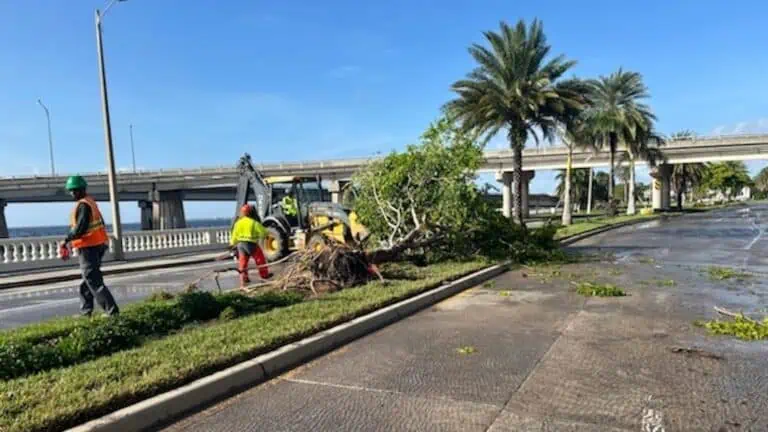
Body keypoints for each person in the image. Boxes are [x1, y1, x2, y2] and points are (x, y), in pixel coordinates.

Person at [60, 175, 120, 317]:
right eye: (71, 191)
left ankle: (112, 312)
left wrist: (66, 240)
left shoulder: (83, 205)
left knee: (93, 280)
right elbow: (100, 224)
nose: (72, 193)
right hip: (98, 244)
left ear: (81, 190)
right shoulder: (91, 202)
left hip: (88, 247)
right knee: (87, 281)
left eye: (74, 190)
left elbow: (80, 228)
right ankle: (86, 311)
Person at [230, 204, 271, 288]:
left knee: (243, 263)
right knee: (260, 260)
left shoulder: (238, 223)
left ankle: (244, 278)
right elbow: (264, 232)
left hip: (241, 245)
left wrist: (232, 244)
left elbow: (234, 235)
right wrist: (262, 237)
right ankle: (264, 275)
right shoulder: (253, 223)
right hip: (251, 244)